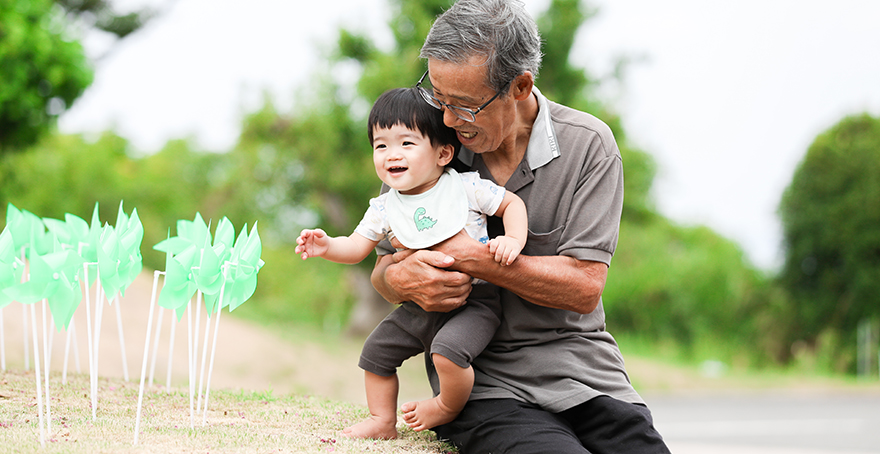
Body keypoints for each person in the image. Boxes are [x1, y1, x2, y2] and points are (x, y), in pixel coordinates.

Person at [369, 1, 672, 453]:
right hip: (483, 384)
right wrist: (400, 277)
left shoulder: (590, 146)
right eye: (438, 97)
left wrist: (471, 257)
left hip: (587, 375)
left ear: (520, 86)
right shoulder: (429, 144)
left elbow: (585, 286)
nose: (449, 120)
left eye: (465, 106)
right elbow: (383, 272)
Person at [295, 87, 528, 440]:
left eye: (406, 143)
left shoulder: (465, 188)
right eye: (381, 145)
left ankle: (445, 406)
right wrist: (327, 246)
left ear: (443, 152)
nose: (392, 154)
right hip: (417, 306)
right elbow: (356, 247)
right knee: (375, 353)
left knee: (447, 354)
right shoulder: (385, 207)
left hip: (474, 304)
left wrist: (512, 240)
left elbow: (512, 205)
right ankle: (381, 420)